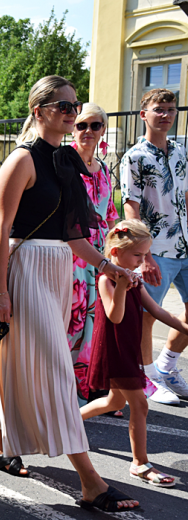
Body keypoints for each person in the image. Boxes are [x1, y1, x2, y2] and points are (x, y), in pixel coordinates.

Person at [0, 75, 139, 513]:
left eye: (74, 107)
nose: (71, 114)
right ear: (38, 111)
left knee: (20, 360)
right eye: (63, 107)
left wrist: (110, 267)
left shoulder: (66, 160)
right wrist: (0, 291)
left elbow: (74, 237)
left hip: (58, 270)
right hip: (25, 270)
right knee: (54, 369)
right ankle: (90, 481)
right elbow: (1, 229)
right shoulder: (21, 159)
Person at [80, 220, 184, 488]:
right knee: (140, 404)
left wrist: (184, 327)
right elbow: (115, 316)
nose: (142, 261)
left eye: (145, 255)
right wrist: (124, 287)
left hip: (128, 350)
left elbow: (158, 312)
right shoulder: (106, 280)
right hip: (114, 351)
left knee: (114, 403)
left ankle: (66, 423)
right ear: (115, 253)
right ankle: (140, 463)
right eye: (138, 255)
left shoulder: (134, 281)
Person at [121, 88, 188, 404]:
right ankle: (148, 377)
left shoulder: (180, 151)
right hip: (157, 249)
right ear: (143, 114)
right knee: (149, 316)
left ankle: (167, 367)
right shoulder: (135, 156)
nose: (166, 114)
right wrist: (142, 255)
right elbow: (130, 207)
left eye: (171, 109)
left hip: (185, 245)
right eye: (159, 109)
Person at [67, 103, 119, 403]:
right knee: (73, 319)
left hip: (101, 255)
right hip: (73, 254)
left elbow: (110, 214)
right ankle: (63, 384)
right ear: (73, 128)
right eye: (82, 125)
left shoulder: (102, 170)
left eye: (95, 125)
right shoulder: (64, 163)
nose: (88, 131)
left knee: (94, 321)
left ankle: (89, 385)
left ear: (103, 130)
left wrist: (117, 253)